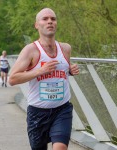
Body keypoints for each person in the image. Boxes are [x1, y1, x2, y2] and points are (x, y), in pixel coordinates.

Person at [9, 8, 79, 150]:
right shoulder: (30, 50)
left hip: (62, 109)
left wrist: (70, 71)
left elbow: (63, 69)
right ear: (37, 25)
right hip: (38, 113)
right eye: (45, 19)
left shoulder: (65, 48)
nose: (50, 22)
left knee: (60, 147)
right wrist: (40, 71)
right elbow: (12, 79)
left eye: (53, 19)